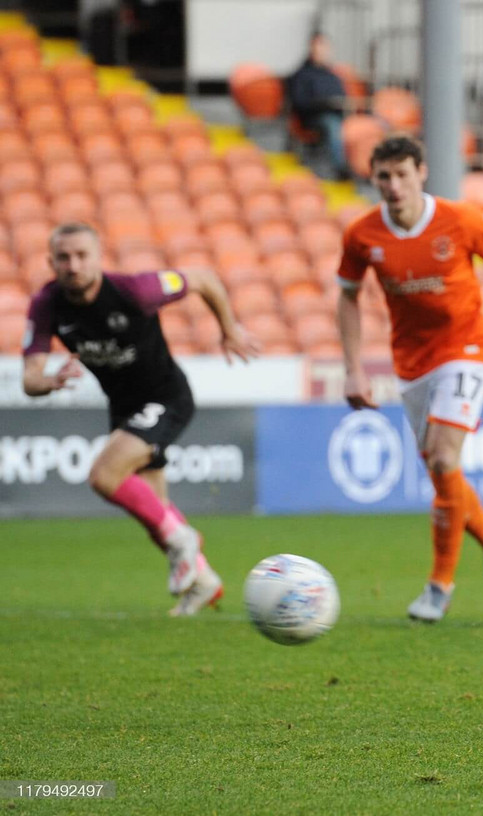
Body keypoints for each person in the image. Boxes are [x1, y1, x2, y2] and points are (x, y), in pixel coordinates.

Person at [337, 136, 483, 622]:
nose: (393, 186)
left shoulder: (461, 219)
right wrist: (353, 367)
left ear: (421, 172)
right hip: (411, 364)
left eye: (402, 174)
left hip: (466, 350)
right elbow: (347, 296)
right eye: (384, 177)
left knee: (445, 456)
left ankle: (439, 586)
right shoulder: (363, 235)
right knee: (441, 470)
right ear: (373, 179)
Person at [21, 222, 258, 616]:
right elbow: (30, 379)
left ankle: (185, 542)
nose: (73, 265)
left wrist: (229, 329)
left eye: (82, 255)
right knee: (155, 511)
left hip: (166, 396)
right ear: (51, 262)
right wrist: (49, 381)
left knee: (103, 475)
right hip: (124, 406)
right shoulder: (47, 304)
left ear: (99, 258)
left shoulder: (135, 290)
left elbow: (203, 278)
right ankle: (203, 580)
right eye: (63, 258)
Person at [286, 32, 352, 180]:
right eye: (319, 46)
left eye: (325, 47)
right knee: (332, 124)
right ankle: (341, 169)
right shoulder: (301, 75)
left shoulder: (333, 76)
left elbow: (343, 97)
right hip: (313, 119)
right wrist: (323, 104)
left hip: (338, 115)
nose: (322, 51)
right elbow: (299, 102)